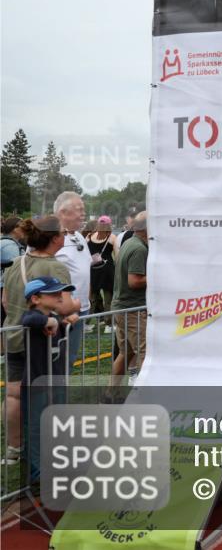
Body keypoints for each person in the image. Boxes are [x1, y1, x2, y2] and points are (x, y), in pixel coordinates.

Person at [0, 215, 76, 466]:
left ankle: (13, 449)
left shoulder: (16, 262)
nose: (66, 236)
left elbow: (5, 301)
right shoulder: (56, 267)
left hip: (13, 334)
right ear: (54, 239)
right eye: (63, 233)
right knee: (45, 394)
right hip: (42, 341)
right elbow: (64, 306)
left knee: (13, 395)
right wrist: (77, 306)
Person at [19, 276, 79, 481]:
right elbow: (27, 320)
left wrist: (66, 323)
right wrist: (49, 321)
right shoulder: (34, 317)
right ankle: (37, 474)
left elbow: (59, 335)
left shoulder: (53, 316)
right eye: (53, 293)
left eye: (60, 292)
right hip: (36, 384)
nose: (60, 296)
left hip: (54, 383)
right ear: (35, 299)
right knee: (36, 429)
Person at [53, 191, 92, 369]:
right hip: (59, 313)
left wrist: (86, 301)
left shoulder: (79, 236)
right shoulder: (48, 237)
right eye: (79, 209)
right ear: (63, 212)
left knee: (69, 358)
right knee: (56, 360)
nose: (84, 214)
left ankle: (62, 388)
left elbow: (85, 269)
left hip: (81, 309)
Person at [110, 211, 148, 379]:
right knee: (144, 353)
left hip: (122, 307)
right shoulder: (139, 248)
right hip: (133, 310)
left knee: (126, 353)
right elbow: (134, 281)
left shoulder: (129, 242)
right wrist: (158, 276)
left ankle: (111, 391)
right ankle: (143, 393)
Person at [88, 216, 117, 322]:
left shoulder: (89, 236)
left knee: (93, 297)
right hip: (107, 270)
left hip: (93, 270)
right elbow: (117, 255)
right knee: (108, 298)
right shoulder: (112, 237)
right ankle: (108, 322)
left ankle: (87, 321)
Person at [1, 216, 25, 324]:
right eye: (22, 227)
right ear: (15, 229)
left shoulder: (4, 242)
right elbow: (14, 271)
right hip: (5, 289)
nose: (25, 229)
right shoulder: (10, 246)